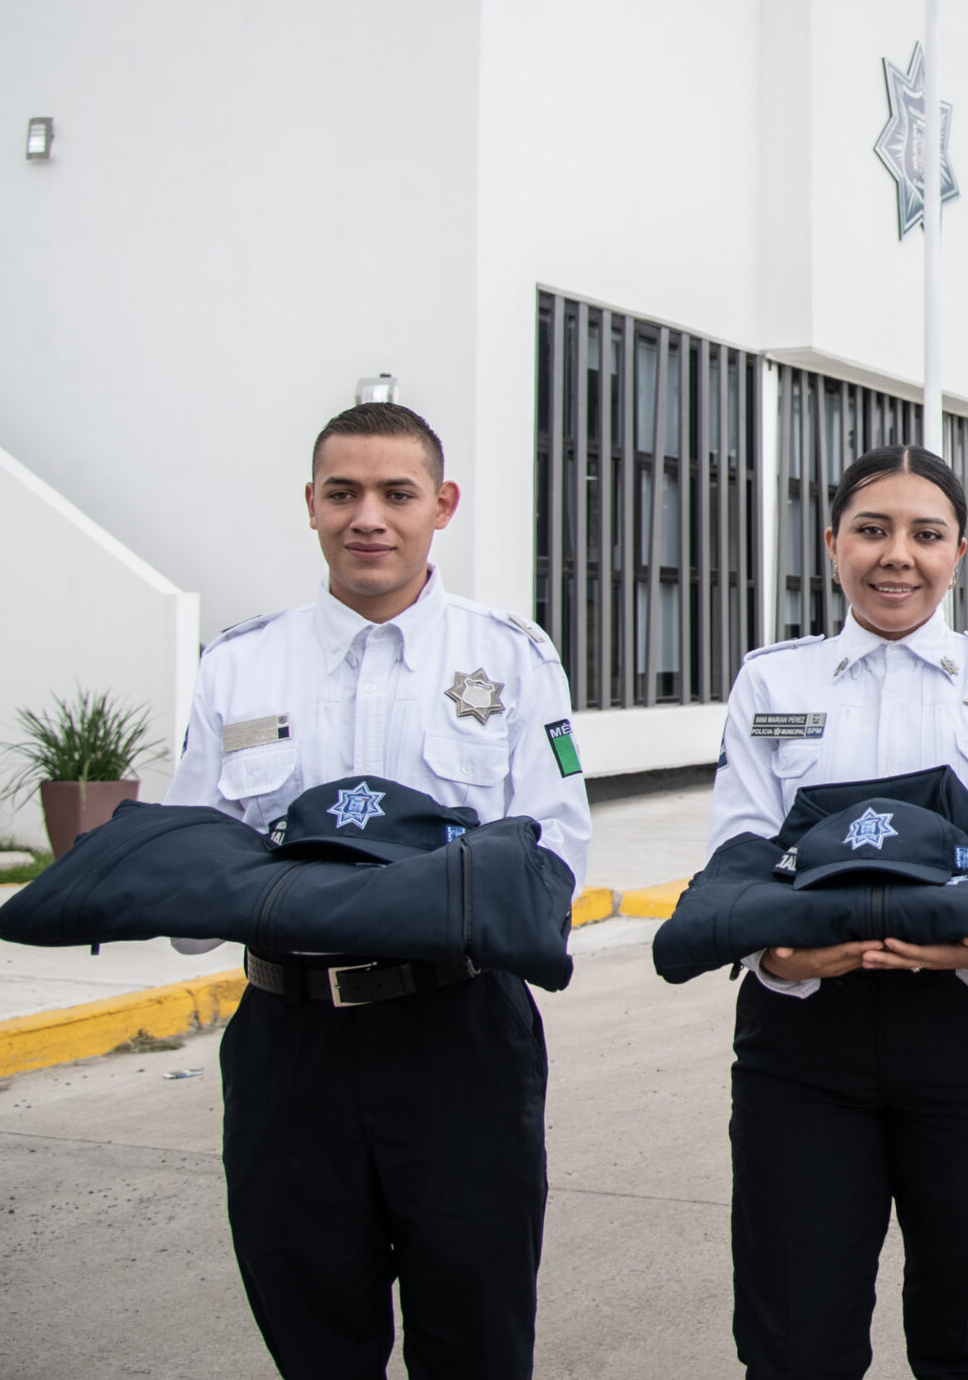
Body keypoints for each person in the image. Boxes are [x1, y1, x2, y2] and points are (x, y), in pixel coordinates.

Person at [163, 400, 590, 1380]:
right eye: (344, 493)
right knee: (313, 1333)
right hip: (289, 1043)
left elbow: (556, 850)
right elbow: (194, 871)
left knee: (476, 1336)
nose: (370, 517)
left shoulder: (511, 658)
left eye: (396, 493)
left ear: (441, 505)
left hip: (458, 1033)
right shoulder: (239, 667)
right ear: (310, 504)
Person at [707, 444, 968, 1380]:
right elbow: (743, 848)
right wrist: (782, 959)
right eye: (872, 531)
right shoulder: (773, 684)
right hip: (804, 1047)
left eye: (925, 533)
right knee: (796, 1347)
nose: (896, 556)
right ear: (833, 544)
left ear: (961, 549)